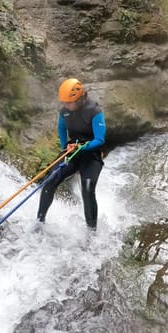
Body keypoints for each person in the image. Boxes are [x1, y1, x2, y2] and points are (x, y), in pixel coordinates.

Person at [36, 78, 106, 230]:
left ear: (80, 98)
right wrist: (64, 148)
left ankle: (91, 232)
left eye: (69, 102)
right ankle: (39, 222)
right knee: (50, 180)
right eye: (64, 102)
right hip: (73, 151)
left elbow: (100, 139)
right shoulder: (65, 112)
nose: (66, 105)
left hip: (91, 154)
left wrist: (82, 147)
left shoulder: (94, 112)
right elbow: (61, 129)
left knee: (87, 189)